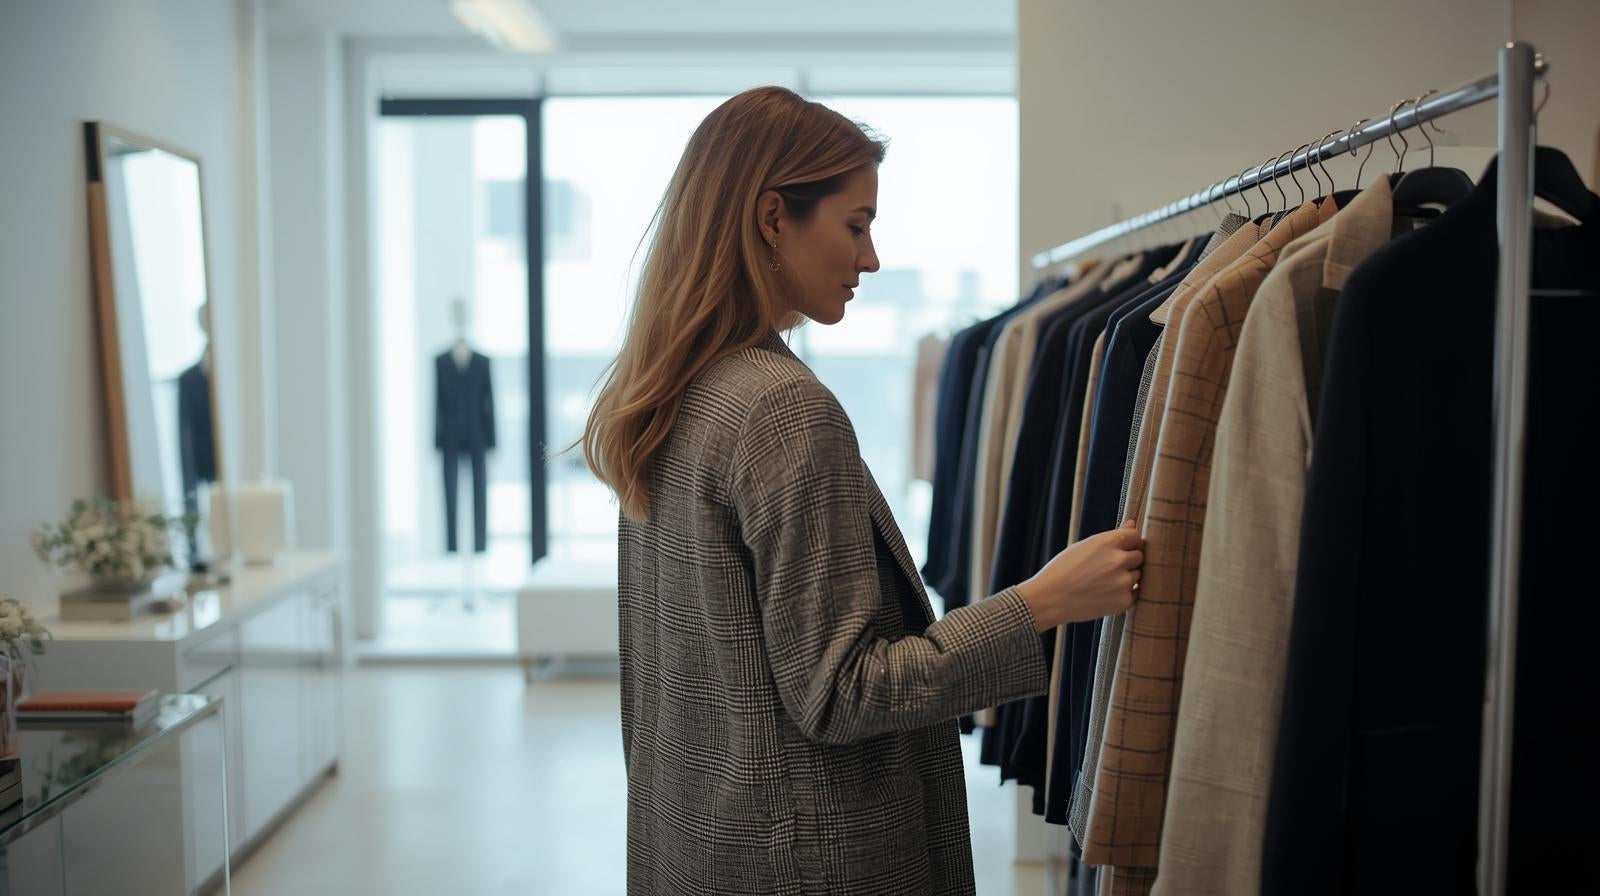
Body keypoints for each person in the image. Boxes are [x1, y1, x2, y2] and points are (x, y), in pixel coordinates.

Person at [581, 86, 1143, 896]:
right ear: (774, 218)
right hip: (810, 860)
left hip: (704, 841)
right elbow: (843, 692)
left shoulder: (673, 391)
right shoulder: (780, 408)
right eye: (856, 224)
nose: (871, 258)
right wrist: (1042, 602)